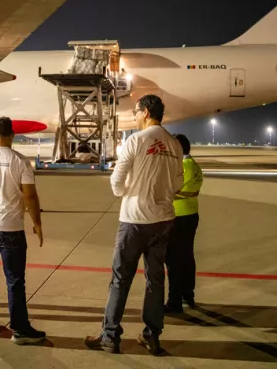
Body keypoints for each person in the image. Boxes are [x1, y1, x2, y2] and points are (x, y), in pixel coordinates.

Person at [84, 95, 184, 356]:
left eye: (136, 111)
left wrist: (126, 191)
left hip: (134, 220)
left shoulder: (136, 140)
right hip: (163, 220)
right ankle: (152, 335)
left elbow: (117, 180)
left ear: (146, 112)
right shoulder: (174, 144)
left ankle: (110, 335)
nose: (135, 115)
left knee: (120, 279)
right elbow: (178, 183)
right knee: (155, 280)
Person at [0, 116, 46, 345]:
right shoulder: (20, 161)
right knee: (14, 279)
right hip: (11, 226)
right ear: (12, 134)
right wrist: (37, 223)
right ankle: (20, 329)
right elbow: (30, 195)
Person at [165, 134, 203, 313]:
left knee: (173, 259)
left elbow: (170, 190)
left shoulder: (183, 167)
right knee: (187, 256)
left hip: (178, 216)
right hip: (190, 214)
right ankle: (188, 294)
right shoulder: (193, 165)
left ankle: (174, 302)